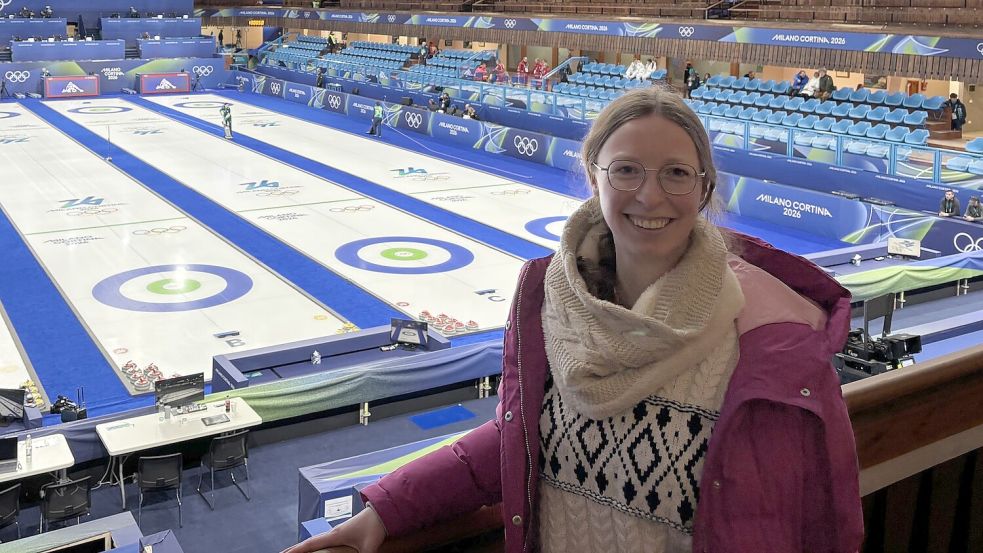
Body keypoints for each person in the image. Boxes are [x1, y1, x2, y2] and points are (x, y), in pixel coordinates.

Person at [283, 87, 864, 553]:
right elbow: (521, 437)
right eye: (627, 170)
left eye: (676, 173)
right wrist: (388, 510)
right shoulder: (548, 302)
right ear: (594, 177)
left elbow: (822, 509)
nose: (650, 195)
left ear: (704, 186)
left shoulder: (775, 337)